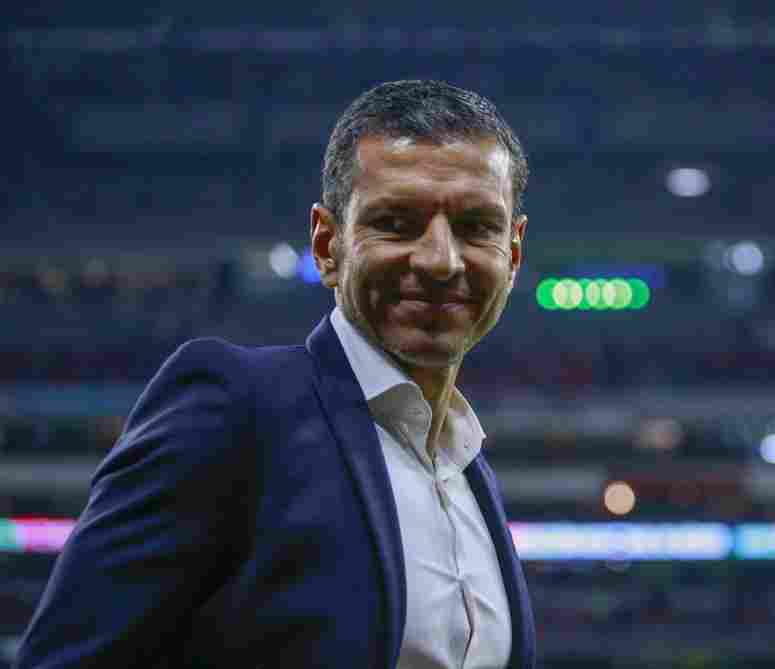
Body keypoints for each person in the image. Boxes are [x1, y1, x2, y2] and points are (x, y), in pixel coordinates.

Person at [16, 79, 535, 669]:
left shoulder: (469, 472)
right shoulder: (236, 407)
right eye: (396, 222)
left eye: (476, 227)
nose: (440, 260)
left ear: (512, 253)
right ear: (327, 244)